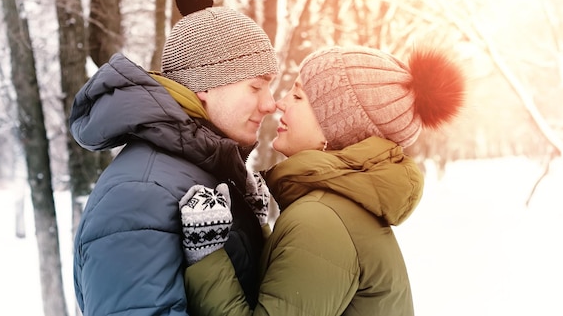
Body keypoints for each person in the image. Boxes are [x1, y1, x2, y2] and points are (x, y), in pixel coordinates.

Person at [180, 45, 466, 316]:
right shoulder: (337, 210)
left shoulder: (321, 220)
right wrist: (259, 229)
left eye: (299, 96)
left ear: (335, 131)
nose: (279, 103)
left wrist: (207, 255)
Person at [69, 0, 279, 316]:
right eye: (255, 86)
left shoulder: (200, 170)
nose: (271, 104)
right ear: (205, 86)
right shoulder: (139, 195)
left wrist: (251, 230)